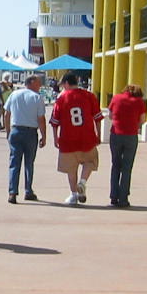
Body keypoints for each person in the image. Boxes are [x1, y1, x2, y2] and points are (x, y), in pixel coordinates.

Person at [49, 73, 103, 205]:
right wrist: (98, 135)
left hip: (67, 139)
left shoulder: (61, 99)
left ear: (67, 83)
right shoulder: (89, 96)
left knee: (71, 169)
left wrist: (55, 138)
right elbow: (97, 117)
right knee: (90, 161)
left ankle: (73, 195)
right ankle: (83, 181)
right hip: (87, 137)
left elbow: (55, 122)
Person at [4, 74, 48, 204]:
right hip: (30, 132)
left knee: (14, 162)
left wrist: (8, 131)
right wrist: (44, 135)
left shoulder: (15, 94)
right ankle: (28, 190)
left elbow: (7, 114)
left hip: (16, 130)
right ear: (32, 82)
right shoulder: (37, 97)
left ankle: (12, 192)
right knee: (29, 163)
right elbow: (41, 119)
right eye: (38, 83)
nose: (40, 85)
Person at [108, 84, 147, 208]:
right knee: (127, 167)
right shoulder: (139, 102)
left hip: (115, 134)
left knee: (115, 165)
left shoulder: (116, 98)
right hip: (131, 135)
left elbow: (110, 115)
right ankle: (123, 198)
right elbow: (142, 120)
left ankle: (114, 196)